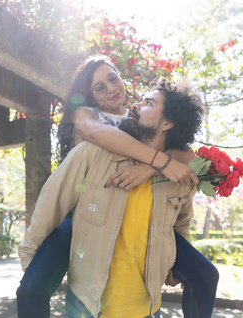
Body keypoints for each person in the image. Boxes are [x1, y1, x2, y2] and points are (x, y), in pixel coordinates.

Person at [16, 56, 219, 317]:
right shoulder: (90, 117)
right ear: (91, 97)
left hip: (138, 220)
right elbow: (93, 133)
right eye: (99, 87)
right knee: (31, 288)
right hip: (83, 210)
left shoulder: (137, 116)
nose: (110, 88)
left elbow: (186, 156)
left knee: (205, 274)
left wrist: (150, 167)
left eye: (112, 78)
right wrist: (158, 161)